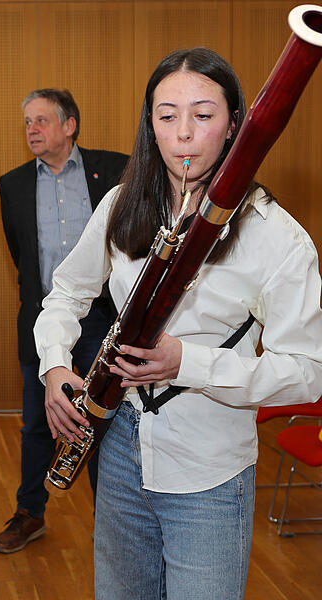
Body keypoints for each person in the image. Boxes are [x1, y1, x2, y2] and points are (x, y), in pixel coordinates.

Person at [34, 48, 322, 599]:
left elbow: (308, 373)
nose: (184, 133)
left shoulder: (276, 237)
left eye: (203, 115)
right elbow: (66, 293)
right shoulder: (122, 203)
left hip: (209, 467)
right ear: (151, 125)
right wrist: (54, 366)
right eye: (167, 116)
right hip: (120, 449)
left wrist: (188, 363)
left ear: (234, 124)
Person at [0, 88, 127, 553]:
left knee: (101, 423)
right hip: (43, 322)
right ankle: (29, 512)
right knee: (37, 422)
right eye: (27, 122)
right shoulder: (12, 184)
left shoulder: (115, 170)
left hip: (102, 321)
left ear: (69, 125)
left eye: (41, 120)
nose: (31, 129)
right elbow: (22, 255)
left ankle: (108, 520)